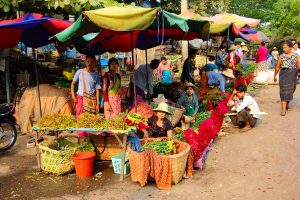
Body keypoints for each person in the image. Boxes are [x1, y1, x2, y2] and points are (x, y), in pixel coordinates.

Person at [274, 40, 300, 116]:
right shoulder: (281, 56)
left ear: (290, 48)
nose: (284, 49)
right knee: (283, 91)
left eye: (285, 47)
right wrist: (274, 75)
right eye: (283, 48)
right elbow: (277, 67)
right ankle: (283, 110)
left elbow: (299, 65)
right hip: (283, 74)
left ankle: (286, 104)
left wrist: (298, 72)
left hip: (292, 74)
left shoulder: (296, 56)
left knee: (291, 90)